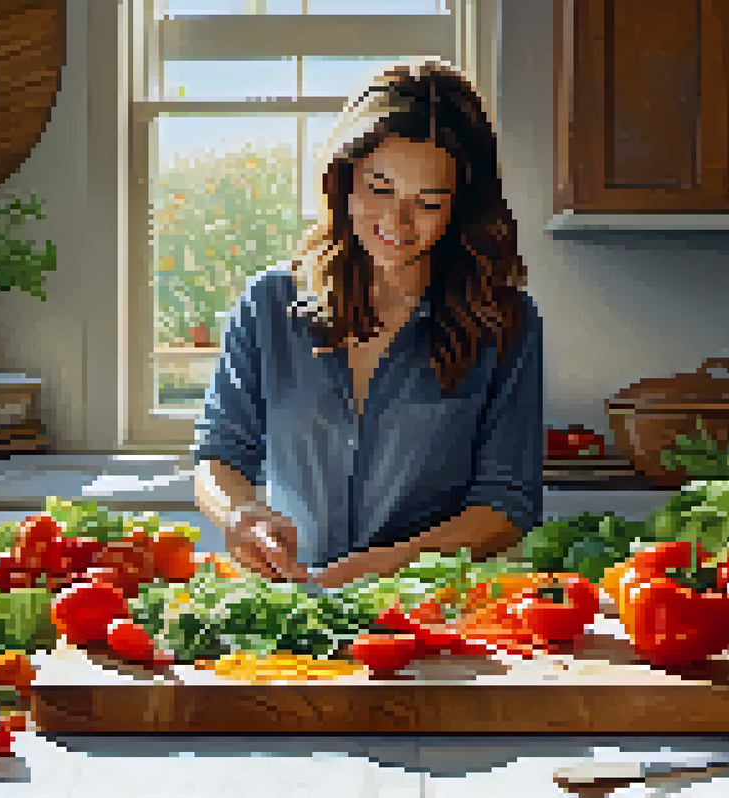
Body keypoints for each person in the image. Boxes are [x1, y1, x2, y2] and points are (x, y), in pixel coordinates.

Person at [191, 59, 543, 588]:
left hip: (431, 614)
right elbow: (219, 454)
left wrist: (388, 565)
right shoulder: (269, 304)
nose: (397, 223)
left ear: (459, 207)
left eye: (427, 202)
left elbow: (507, 503)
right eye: (380, 189)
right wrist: (239, 514)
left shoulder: (504, 323)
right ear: (344, 180)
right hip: (292, 609)